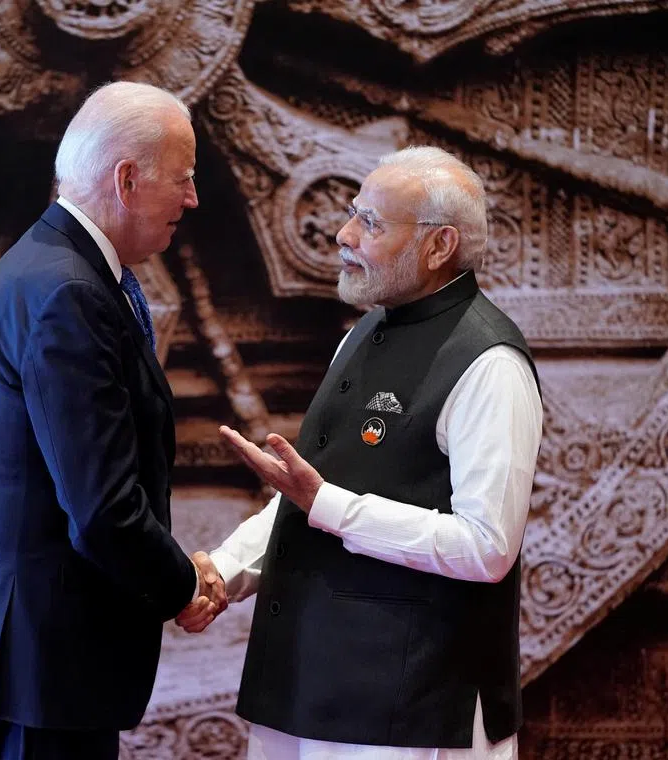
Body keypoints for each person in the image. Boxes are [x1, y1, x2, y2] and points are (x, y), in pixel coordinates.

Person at [188, 146, 543, 760]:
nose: (344, 235)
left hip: (411, 708)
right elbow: (309, 496)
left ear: (439, 247)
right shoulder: (361, 335)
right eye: (353, 214)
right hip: (301, 683)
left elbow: (487, 547)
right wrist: (227, 570)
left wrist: (329, 504)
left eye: (372, 223)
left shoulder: (490, 364)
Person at [0, 81, 225, 760]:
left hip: (45, 656)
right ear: (127, 179)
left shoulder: (54, 267)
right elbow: (100, 508)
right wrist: (183, 584)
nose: (192, 199)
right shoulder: (68, 291)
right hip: (46, 658)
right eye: (182, 179)